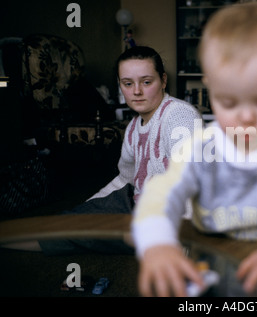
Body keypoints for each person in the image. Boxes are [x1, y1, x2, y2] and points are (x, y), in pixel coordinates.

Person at [132, 3, 257, 297]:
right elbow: (162, 193)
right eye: (228, 102)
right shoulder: (200, 146)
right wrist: (158, 242)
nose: (246, 117)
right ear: (210, 88)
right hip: (211, 251)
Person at [4, 46, 202, 254]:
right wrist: (91, 207)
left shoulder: (180, 116)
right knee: (63, 224)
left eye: (146, 82)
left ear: (163, 80)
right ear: (120, 85)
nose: (136, 91)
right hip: (133, 201)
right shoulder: (134, 128)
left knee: (73, 232)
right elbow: (126, 177)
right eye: (127, 83)